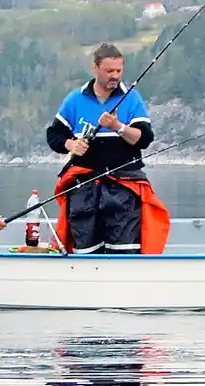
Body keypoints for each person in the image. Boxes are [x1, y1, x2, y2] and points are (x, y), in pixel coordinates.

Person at [45, 42, 170, 255]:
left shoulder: (131, 99)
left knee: (125, 248)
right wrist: (71, 144)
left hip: (123, 186)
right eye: (109, 70)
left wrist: (118, 127)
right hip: (83, 186)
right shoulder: (75, 99)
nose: (115, 76)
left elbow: (144, 138)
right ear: (95, 68)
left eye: (119, 71)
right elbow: (54, 135)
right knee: (84, 248)